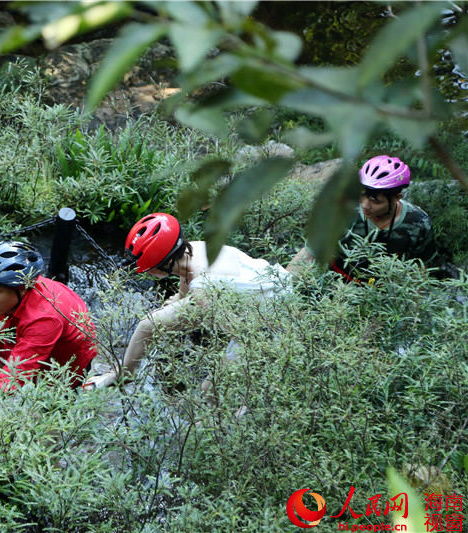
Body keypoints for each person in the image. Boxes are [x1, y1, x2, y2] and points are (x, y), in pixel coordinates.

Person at [82, 213, 289, 390]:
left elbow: (239, 332)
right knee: (148, 325)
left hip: (266, 316)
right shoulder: (191, 251)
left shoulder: (202, 287)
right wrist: (178, 301)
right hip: (240, 291)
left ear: (161, 265)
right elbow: (186, 282)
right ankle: (124, 372)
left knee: (210, 391)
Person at [0, 240, 97, 396]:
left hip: (65, 359)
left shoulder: (44, 318)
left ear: (23, 290)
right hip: (21, 335)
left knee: (45, 410)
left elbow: (12, 378)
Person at [286, 155, 436, 280]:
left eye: (375, 201)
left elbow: (420, 269)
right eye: (362, 196)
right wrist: (283, 285)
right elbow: (310, 253)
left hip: (385, 294)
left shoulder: (419, 223)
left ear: (397, 197)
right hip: (336, 286)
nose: (365, 205)